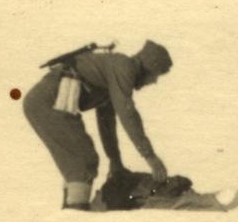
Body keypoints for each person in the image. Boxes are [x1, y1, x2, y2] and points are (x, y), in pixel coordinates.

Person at [23, 40, 173, 210]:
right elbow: (128, 114)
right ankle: (75, 217)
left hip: (46, 103)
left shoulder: (114, 71)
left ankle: (71, 212)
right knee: (82, 160)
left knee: (77, 160)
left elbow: (106, 122)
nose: (154, 81)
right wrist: (150, 156)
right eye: (156, 75)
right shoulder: (124, 67)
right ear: (148, 67)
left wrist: (115, 161)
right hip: (47, 103)